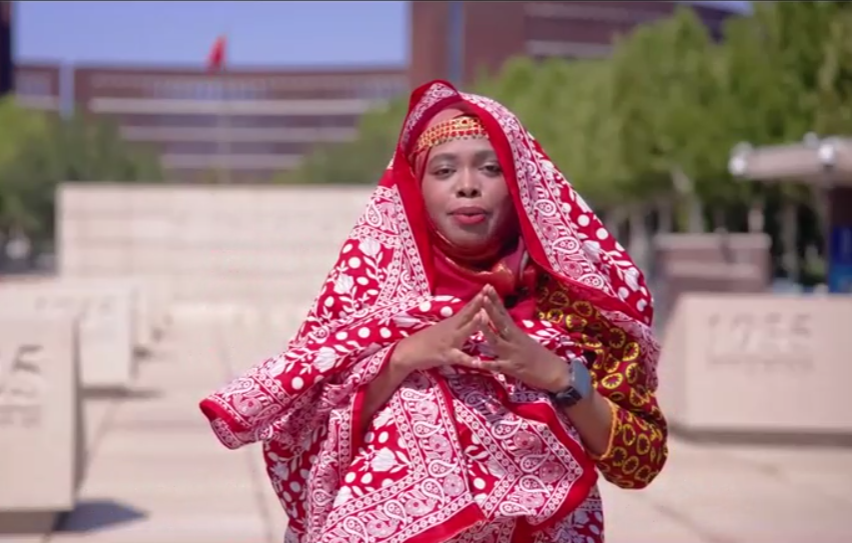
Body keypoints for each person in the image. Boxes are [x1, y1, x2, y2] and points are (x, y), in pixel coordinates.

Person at [199, 80, 667, 543]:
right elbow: (299, 440)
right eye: (444, 171)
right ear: (416, 188)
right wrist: (403, 358)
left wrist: (558, 377)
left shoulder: (576, 304)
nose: (467, 186)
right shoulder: (368, 290)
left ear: (520, 182)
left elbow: (640, 463)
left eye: (490, 168)